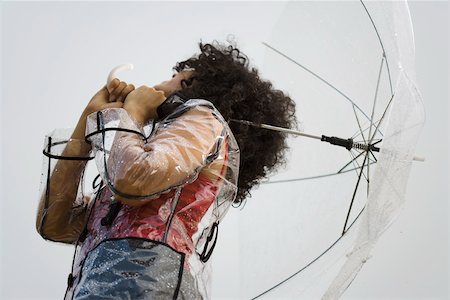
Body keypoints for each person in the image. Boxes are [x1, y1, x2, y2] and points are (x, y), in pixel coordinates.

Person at [36, 41, 298, 299]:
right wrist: (87, 123)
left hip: (149, 281)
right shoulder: (134, 153)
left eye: (176, 77)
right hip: (106, 284)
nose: (162, 83)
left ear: (193, 86)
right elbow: (55, 224)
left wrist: (134, 113)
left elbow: (134, 181)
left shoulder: (204, 119)